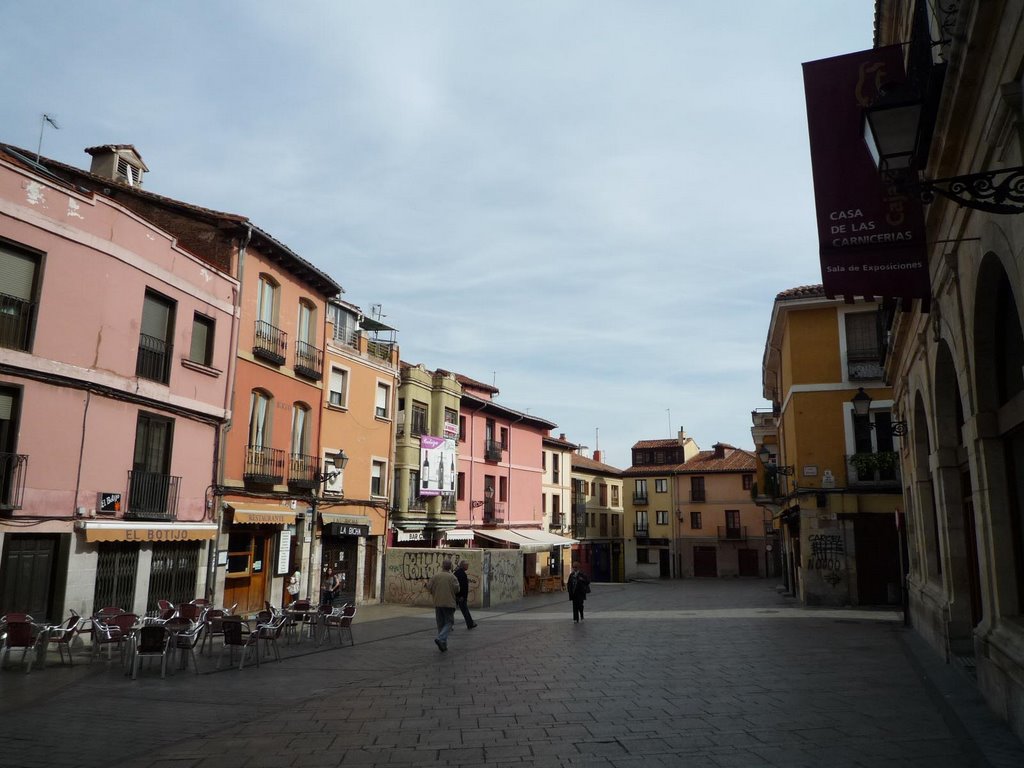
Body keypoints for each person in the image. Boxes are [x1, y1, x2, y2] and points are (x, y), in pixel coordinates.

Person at [425, 558, 460, 652]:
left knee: (440, 624)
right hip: (449, 603)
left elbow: (429, 587)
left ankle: (443, 644)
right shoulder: (452, 577)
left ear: (442, 566)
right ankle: (441, 639)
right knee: (449, 622)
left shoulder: (435, 576)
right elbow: (457, 590)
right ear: (450, 567)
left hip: (438, 603)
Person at [454, 560, 478, 630]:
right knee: (465, 611)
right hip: (460, 596)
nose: (467, 566)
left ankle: (448, 624)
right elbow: (462, 586)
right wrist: (462, 596)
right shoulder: (461, 574)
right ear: (463, 565)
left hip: (458, 595)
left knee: (452, 611)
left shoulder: (457, 573)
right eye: (466, 565)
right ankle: (470, 624)